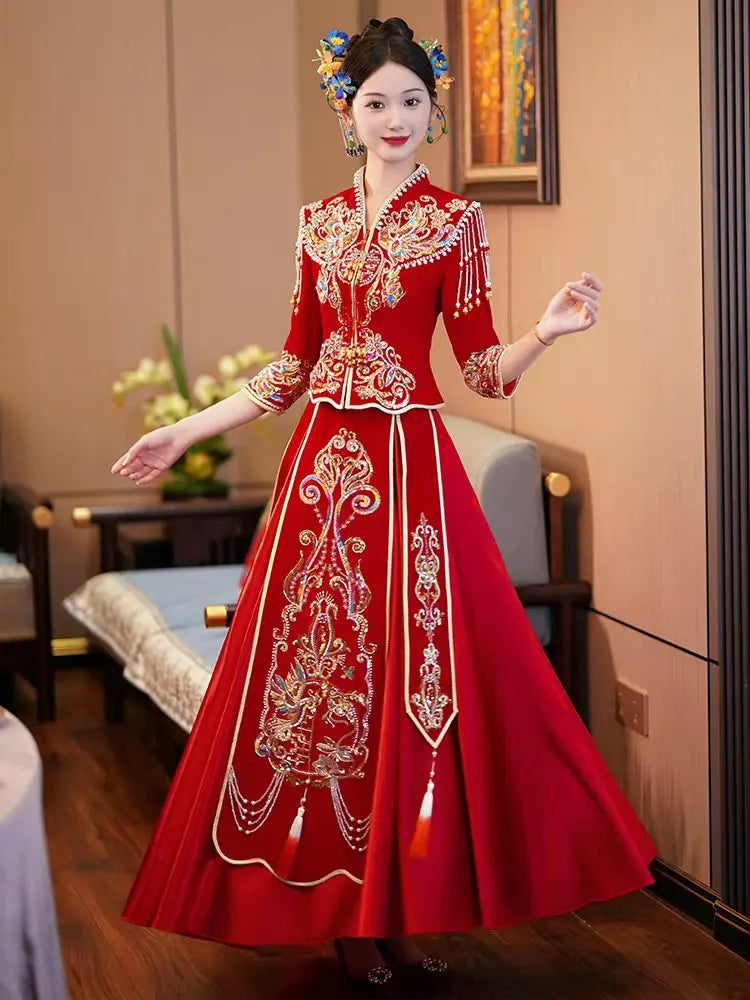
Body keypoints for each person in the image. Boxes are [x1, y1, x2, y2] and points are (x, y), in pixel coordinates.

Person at [112, 17, 656, 993]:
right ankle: (346, 920)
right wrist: (185, 431)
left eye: (413, 101)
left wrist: (548, 330)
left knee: (415, 700)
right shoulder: (316, 223)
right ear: (347, 111)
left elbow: (483, 371)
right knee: (323, 699)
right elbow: (289, 366)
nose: (396, 118)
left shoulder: (456, 223)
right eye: (377, 102)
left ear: (433, 112)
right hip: (323, 481)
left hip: (410, 477)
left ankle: (398, 915)